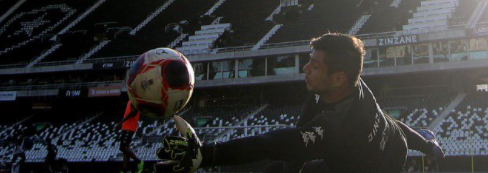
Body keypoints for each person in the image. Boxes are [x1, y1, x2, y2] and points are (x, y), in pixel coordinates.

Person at [156, 33, 444, 173]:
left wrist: (208, 156)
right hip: (387, 149)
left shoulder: (338, 128)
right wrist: (428, 145)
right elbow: (397, 129)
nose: (305, 69)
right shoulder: (356, 88)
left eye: (314, 66)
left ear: (338, 77)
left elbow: (273, 142)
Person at [120, 100, 143, 173]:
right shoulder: (131, 100)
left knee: (123, 147)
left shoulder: (135, 99)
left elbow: (133, 112)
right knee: (126, 149)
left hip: (129, 127)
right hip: (126, 127)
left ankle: (139, 162)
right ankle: (125, 169)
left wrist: (120, 122)